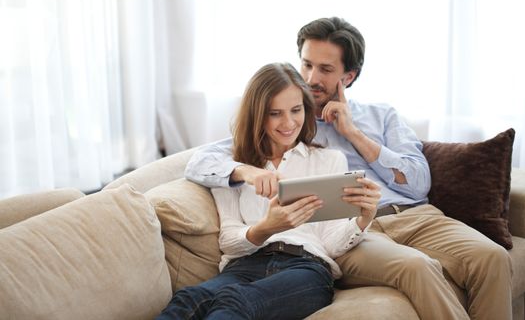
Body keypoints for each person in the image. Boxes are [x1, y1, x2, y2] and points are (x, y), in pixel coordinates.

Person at [184, 17, 512, 319]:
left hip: (414, 215)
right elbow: (202, 160)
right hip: (354, 231)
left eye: (325, 69)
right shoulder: (288, 120)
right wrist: (247, 171)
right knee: (417, 267)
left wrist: (353, 134)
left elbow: (418, 184)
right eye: (307, 64)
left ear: (348, 76)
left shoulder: (380, 116)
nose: (312, 78)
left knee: (493, 258)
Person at [157, 62, 380, 319]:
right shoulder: (231, 169)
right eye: (275, 113)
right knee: (189, 299)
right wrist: (265, 226)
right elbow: (229, 242)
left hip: (306, 268)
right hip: (244, 265)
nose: (288, 123)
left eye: (296, 110)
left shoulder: (329, 160)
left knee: (235, 302)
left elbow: (329, 242)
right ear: (258, 114)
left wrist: (363, 218)